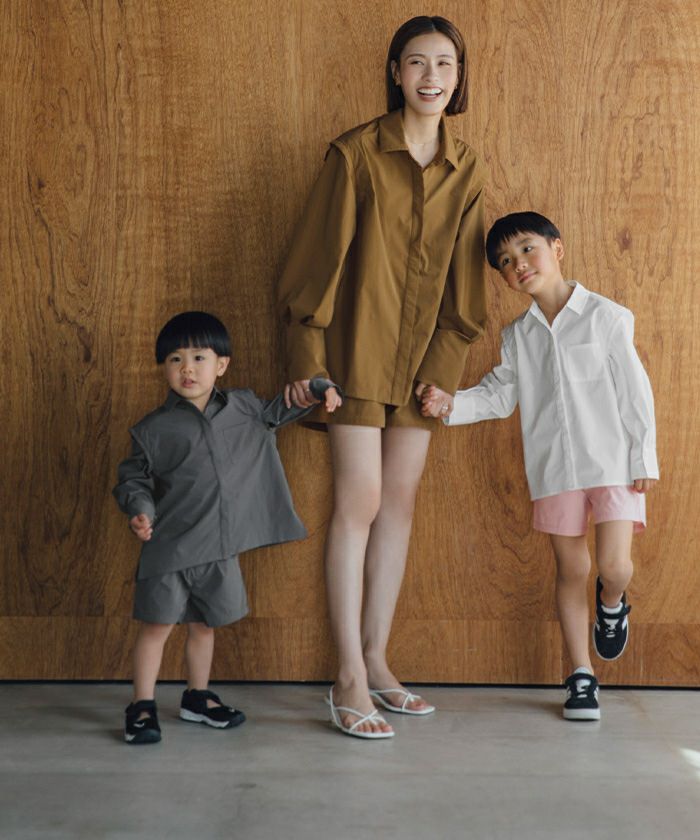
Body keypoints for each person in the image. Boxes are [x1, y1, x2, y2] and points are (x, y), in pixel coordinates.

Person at [278, 16, 487, 739]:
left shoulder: (468, 169)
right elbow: (316, 264)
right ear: (396, 72)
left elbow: (465, 288)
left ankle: (376, 660)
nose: (432, 77)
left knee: (399, 504)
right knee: (359, 503)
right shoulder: (355, 154)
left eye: (445, 64)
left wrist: (444, 373)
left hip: (423, 363)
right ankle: (346, 678)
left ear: (459, 77)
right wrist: (308, 364)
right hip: (356, 355)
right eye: (417, 62)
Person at [421, 212, 659, 720]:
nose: (519, 265)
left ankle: (612, 605)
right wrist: (449, 404)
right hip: (554, 470)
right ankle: (580, 675)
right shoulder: (517, 336)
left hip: (613, 464)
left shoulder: (606, 317)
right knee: (571, 568)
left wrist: (643, 456)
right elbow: (499, 395)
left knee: (614, 567)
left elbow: (635, 392)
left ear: (557, 248)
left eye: (527, 249)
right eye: (506, 262)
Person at [113, 311, 341, 744]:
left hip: (219, 548)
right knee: (157, 627)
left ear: (222, 365)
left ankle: (197, 697)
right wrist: (139, 509)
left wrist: (318, 388)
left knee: (205, 625)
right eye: (175, 359)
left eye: (199, 357)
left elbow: (285, 407)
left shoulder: (246, 408)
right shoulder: (152, 429)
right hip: (169, 548)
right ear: (164, 368)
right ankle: (142, 705)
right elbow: (134, 479)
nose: (187, 369)